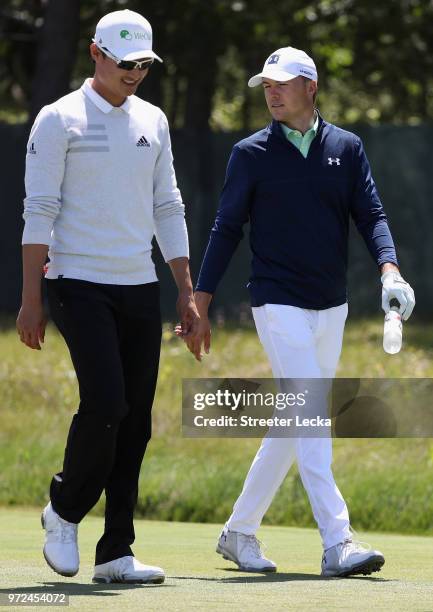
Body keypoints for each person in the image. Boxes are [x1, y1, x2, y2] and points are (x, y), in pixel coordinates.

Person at [189, 47, 415, 576]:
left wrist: (389, 269)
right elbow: (225, 228)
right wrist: (201, 296)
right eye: (266, 84)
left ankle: (239, 532)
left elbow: (371, 213)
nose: (271, 92)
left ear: (310, 87)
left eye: (282, 83)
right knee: (312, 411)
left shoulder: (347, 148)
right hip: (276, 300)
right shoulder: (250, 154)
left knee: (295, 420)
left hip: (331, 304)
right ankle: (338, 541)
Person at [16, 9, 199, 584]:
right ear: (95, 53)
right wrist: (30, 298)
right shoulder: (59, 119)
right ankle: (64, 510)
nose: (135, 74)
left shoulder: (153, 120)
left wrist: (187, 292)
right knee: (107, 405)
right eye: (125, 63)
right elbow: (38, 210)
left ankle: (116, 550)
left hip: (138, 286)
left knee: (137, 420)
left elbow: (168, 205)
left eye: (143, 64)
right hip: (75, 282)